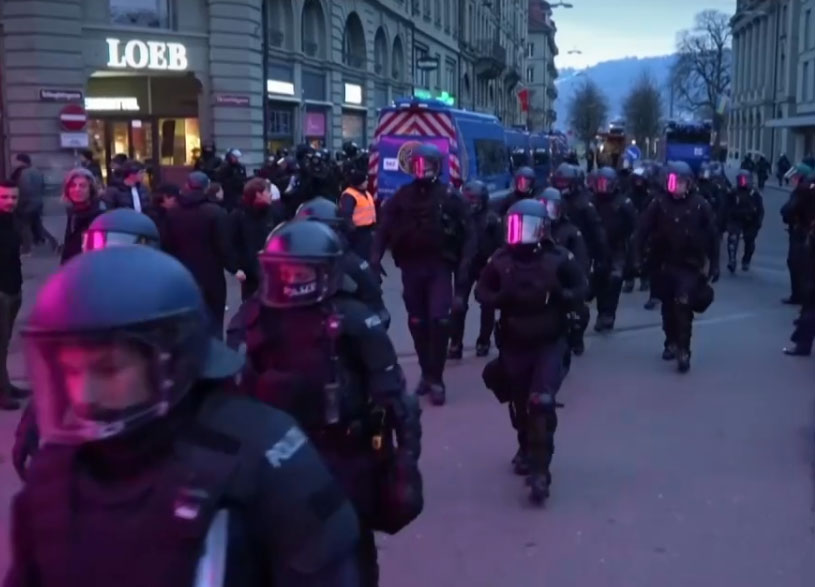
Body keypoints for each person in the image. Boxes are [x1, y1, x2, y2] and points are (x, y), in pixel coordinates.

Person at [6, 246, 364, 587]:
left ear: (173, 360)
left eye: (109, 369)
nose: (85, 395)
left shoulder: (262, 453)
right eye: (71, 371)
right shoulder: (55, 474)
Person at [228, 220, 423, 587]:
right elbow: (230, 396)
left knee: (351, 551)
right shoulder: (253, 320)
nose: (292, 281)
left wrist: (404, 464)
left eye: (301, 272)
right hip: (275, 459)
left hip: (344, 456)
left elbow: (395, 397)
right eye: (284, 272)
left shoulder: (353, 319)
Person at [12, 208, 163, 480]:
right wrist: (34, 422)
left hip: (145, 423)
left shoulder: (164, 296)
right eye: (102, 246)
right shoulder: (79, 296)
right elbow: (60, 365)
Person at [475, 199, 587, 504]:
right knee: (520, 403)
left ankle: (541, 471)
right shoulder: (501, 260)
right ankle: (525, 447)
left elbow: (581, 286)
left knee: (541, 402)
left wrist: (564, 295)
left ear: (542, 230)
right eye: (515, 227)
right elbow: (481, 290)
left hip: (548, 342)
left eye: (527, 228)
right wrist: (497, 298)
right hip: (514, 343)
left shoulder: (558, 259)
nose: (521, 234)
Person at [370, 143, 475, 406]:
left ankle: (436, 378)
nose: (422, 169)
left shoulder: (450, 197)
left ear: (437, 167)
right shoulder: (402, 196)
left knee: (440, 321)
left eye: (427, 165)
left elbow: (470, 234)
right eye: (417, 164)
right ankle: (427, 373)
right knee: (417, 322)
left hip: (439, 266)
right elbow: (384, 227)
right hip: (411, 266)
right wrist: (374, 258)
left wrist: (464, 270)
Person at [637, 161, 719, 373]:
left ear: (689, 183)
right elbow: (642, 230)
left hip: (689, 265)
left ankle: (684, 350)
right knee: (667, 307)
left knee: (683, 305)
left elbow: (713, 236)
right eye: (671, 182)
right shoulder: (659, 203)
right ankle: (670, 342)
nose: (675, 186)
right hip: (664, 263)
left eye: (679, 182)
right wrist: (636, 258)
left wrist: (715, 264)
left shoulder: (700, 205)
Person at [161, 171, 245, 337]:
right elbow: (223, 245)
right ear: (206, 188)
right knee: (214, 318)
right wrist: (234, 268)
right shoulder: (215, 212)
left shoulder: (173, 213)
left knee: (187, 318)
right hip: (211, 275)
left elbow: (166, 244)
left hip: (183, 273)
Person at [448, 180, 502, 359]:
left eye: (475, 200)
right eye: (468, 199)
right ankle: (455, 344)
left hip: (486, 266)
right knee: (458, 305)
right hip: (465, 265)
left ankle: (483, 342)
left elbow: (501, 244)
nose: (471, 204)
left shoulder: (492, 219)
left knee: (487, 304)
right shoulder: (460, 217)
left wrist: (495, 262)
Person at [538, 187, 590, 355]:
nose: (548, 212)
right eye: (544, 207)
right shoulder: (535, 231)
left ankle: (576, 338)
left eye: (552, 208)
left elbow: (581, 261)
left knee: (578, 313)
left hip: (565, 281)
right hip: (539, 280)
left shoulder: (571, 232)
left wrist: (578, 286)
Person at [589, 167, 638, 332]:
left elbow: (635, 228)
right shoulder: (591, 201)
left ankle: (608, 315)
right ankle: (601, 313)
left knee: (614, 281)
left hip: (618, 248)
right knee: (599, 281)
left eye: (606, 184)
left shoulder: (624, 203)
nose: (602, 188)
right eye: (600, 184)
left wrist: (634, 253)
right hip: (597, 249)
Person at [230, 177, 287, 300]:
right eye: (267, 191)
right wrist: (236, 268)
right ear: (258, 194)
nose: (271, 194)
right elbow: (232, 243)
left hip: (273, 270)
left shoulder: (275, 212)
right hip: (250, 275)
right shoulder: (238, 216)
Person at [0, 180, 26, 410]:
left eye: (13, 197)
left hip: (13, 289)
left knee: (5, 342)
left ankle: (5, 384)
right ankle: (2, 393)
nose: (9, 201)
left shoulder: (12, 220)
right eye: (4, 197)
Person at [781, 164, 815, 304]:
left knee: (796, 263)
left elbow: (788, 209)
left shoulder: (803, 190)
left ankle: (799, 296)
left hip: (802, 231)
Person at [12, 154, 57, 254]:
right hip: (37, 203)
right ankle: (52, 242)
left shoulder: (23, 173)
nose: (14, 163)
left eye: (16, 161)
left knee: (25, 226)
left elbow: (24, 190)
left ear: (21, 161)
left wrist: (20, 204)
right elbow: (43, 186)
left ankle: (27, 248)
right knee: (37, 225)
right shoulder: (36, 171)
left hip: (27, 204)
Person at [60, 168, 106, 264]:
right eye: (73, 186)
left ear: (91, 189)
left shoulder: (97, 216)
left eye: (83, 186)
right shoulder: (73, 212)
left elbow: (97, 255)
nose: (77, 189)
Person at [724, 170, 764, 273]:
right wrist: (726, 221)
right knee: (732, 239)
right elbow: (726, 207)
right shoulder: (733, 192)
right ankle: (732, 260)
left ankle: (746, 260)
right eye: (741, 180)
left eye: (745, 180)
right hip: (736, 218)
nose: (743, 182)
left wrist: (758, 223)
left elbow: (760, 210)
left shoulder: (754, 194)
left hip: (750, 220)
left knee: (749, 241)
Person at [339, 162, 376, 261]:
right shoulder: (349, 196)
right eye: (365, 181)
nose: (367, 182)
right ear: (359, 183)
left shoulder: (365, 193)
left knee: (369, 255)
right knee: (361, 257)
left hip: (367, 231)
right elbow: (346, 214)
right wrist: (351, 230)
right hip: (358, 233)